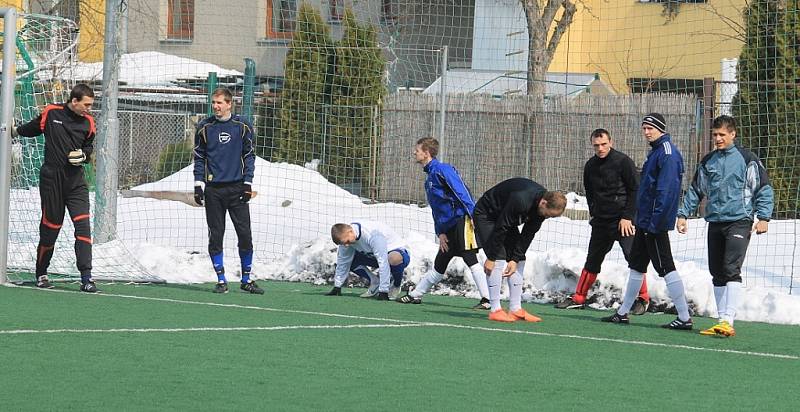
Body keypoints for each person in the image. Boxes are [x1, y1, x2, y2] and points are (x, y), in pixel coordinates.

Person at [677, 115, 773, 337]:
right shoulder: (708, 160)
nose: (718, 139)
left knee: (731, 269)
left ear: (733, 134)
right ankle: (721, 321)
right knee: (717, 272)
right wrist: (683, 214)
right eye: (715, 135)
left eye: (722, 134)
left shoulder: (746, 159)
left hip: (740, 221)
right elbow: (696, 189)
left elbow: (764, 189)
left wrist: (764, 218)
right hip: (715, 222)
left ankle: (728, 320)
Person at [602, 113, 692, 329]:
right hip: (644, 221)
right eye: (644, 128)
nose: (646, 132)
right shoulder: (655, 152)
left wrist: (656, 222)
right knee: (636, 266)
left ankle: (685, 317)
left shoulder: (668, 153)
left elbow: (666, 191)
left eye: (650, 128)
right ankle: (623, 312)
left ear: (660, 128)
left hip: (654, 223)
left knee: (667, 267)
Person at [555, 129, 650, 314]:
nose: (600, 148)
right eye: (596, 145)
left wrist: (628, 217)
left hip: (624, 221)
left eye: (603, 144)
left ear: (610, 142)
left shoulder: (624, 162)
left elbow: (635, 190)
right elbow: (590, 192)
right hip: (601, 222)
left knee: (634, 259)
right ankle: (579, 297)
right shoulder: (590, 165)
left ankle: (643, 299)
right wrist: (594, 213)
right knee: (593, 260)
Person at [15, 84, 98, 292]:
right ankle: (41, 273)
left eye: (91, 105)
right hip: (52, 182)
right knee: (51, 230)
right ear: (74, 100)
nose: (89, 108)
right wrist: (15, 131)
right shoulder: (52, 113)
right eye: (86, 104)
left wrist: (84, 156)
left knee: (83, 228)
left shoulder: (89, 123)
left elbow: (89, 147)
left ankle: (86, 277)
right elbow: (33, 128)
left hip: (76, 184)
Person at [397, 137, 491, 309]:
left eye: (417, 150)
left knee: (470, 258)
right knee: (440, 264)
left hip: (461, 222)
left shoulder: (442, 169)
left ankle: (487, 299)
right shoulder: (430, 177)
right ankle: (416, 295)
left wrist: (474, 217)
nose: (414, 153)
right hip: (447, 228)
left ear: (426, 153)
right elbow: (436, 209)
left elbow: (462, 192)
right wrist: (440, 232)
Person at [193, 88, 263, 294]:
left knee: (245, 235)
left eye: (220, 103)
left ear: (230, 104)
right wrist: (198, 185)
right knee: (216, 235)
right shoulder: (204, 127)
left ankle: (246, 279)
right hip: (213, 191)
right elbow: (199, 157)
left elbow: (249, 155)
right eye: (213, 102)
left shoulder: (242, 126)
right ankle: (221, 280)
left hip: (237, 188)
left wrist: (248, 183)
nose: (216, 106)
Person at [472, 178, 566, 322]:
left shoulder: (541, 210)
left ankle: (515, 309)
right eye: (548, 214)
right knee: (498, 258)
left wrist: (515, 259)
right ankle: (495, 309)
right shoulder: (521, 200)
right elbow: (502, 227)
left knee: (520, 258)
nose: (547, 217)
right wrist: (490, 258)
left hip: (505, 217)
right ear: (543, 202)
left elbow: (527, 235)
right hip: (487, 215)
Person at [327, 221, 410, 301]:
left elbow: (383, 262)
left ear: (350, 231)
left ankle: (396, 285)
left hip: (397, 254)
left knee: (393, 258)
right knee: (349, 260)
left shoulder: (373, 235)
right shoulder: (346, 239)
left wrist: (383, 291)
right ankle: (375, 282)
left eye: (348, 241)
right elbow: (343, 261)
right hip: (373, 256)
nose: (346, 245)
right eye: (344, 243)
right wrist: (337, 286)